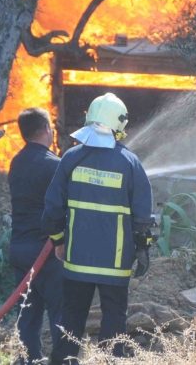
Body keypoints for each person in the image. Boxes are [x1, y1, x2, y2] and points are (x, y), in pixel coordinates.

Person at [42, 93, 153, 363]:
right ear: (119, 124)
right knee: (114, 318)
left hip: (77, 259)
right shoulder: (130, 163)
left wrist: (58, 240)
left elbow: (52, 208)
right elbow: (143, 216)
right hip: (115, 262)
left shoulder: (71, 158)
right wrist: (142, 249)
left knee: (71, 317)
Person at [8, 107, 64, 365]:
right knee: (60, 313)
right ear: (45, 129)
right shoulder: (54, 165)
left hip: (20, 249)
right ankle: (63, 359)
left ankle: (27, 360)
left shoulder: (16, 162)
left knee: (27, 315)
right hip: (47, 251)